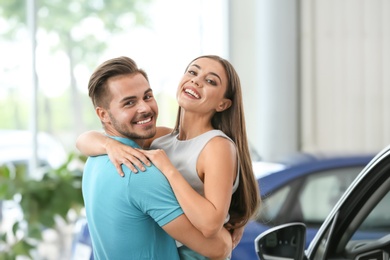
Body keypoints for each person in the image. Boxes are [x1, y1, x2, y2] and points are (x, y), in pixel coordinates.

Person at [77, 55, 260, 259]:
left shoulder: (217, 146)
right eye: (192, 72)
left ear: (223, 104)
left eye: (210, 81)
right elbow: (84, 140)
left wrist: (169, 169)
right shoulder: (162, 137)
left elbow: (211, 226)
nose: (196, 80)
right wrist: (109, 145)